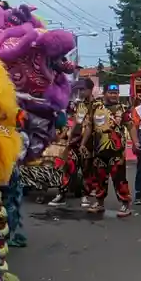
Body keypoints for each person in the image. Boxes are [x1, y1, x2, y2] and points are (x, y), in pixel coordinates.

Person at [82, 83, 133, 217]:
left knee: (119, 178)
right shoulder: (95, 107)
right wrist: (83, 143)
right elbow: (88, 127)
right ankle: (99, 203)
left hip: (117, 151)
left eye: (116, 92)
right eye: (111, 92)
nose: (114, 95)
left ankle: (125, 204)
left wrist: (136, 143)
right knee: (99, 178)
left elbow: (131, 126)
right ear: (105, 94)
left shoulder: (123, 108)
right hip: (99, 150)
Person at [50, 78, 94, 207]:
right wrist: (69, 140)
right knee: (68, 166)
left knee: (87, 169)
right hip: (75, 141)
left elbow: (92, 126)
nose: (80, 92)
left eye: (83, 89)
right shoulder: (80, 105)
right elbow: (76, 122)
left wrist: (84, 144)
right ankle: (61, 194)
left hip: (89, 143)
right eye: (79, 89)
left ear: (90, 90)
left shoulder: (97, 105)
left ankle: (85, 196)